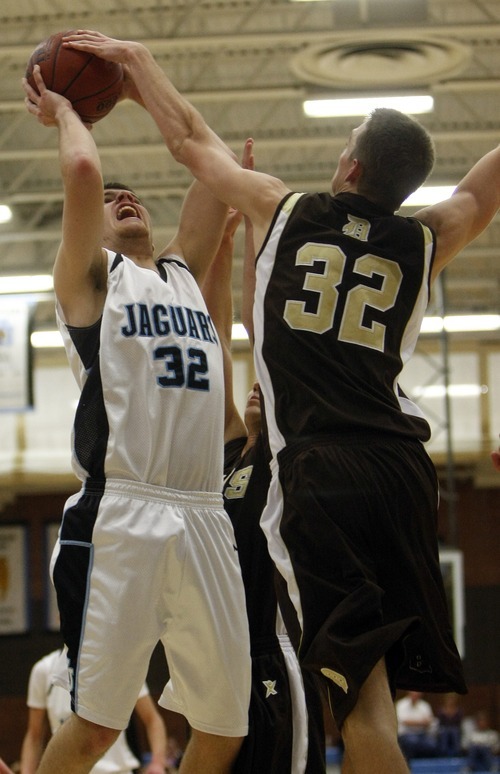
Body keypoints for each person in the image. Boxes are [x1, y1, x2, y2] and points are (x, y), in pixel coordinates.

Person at [55, 29, 500, 774]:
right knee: (369, 693)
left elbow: (194, 142)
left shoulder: (286, 213)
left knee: (360, 707)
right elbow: (480, 192)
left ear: (349, 164)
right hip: (400, 468)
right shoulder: (424, 239)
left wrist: (138, 67)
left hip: (319, 473)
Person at [21, 56, 251, 774]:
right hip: (122, 513)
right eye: (113, 198)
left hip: (205, 511)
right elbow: (85, 176)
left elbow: (212, 164)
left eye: (134, 195)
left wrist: (141, 74)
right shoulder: (91, 283)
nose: (122, 195)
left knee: (223, 727)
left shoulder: (181, 274)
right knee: (93, 729)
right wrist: (66, 112)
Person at [201, 164, 326, 773]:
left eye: (264, 390)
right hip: (224, 656)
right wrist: (220, 246)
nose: (254, 392)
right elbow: (219, 343)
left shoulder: (288, 452)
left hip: (278, 651)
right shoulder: (230, 454)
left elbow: (261, 327)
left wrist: (259, 226)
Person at [20, 648, 168, 774]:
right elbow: (34, 735)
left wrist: (158, 763)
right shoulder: (43, 670)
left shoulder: (119, 662)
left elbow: (152, 720)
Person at [396, 691, 437, 761]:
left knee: (432, 744)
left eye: (417, 693)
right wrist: (421, 722)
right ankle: (409, 765)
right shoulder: (401, 704)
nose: (415, 695)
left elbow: (430, 721)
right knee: (412, 742)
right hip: (406, 734)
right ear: (409, 693)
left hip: (422, 734)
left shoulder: (425, 705)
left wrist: (414, 722)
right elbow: (404, 721)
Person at [435, 693, 463, 758]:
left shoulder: (459, 711)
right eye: (449, 699)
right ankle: (443, 752)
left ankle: (457, 752)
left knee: (454, 731)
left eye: (452, 699)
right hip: (444, 729)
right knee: (445, 732)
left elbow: (459, 723)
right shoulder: (441, 711)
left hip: (455, 730)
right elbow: (440, 723)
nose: (451, 701)